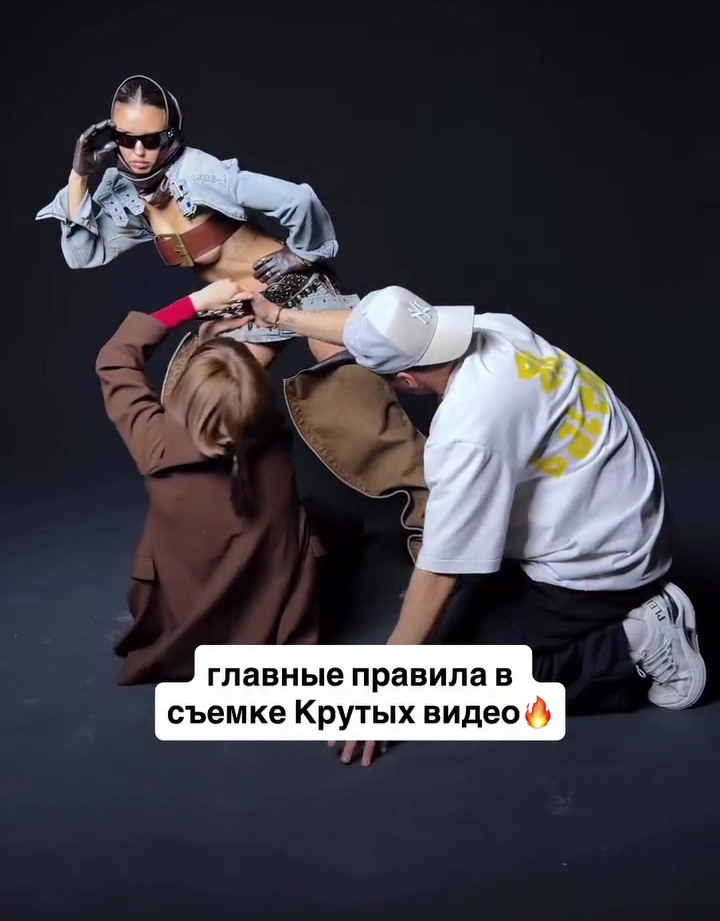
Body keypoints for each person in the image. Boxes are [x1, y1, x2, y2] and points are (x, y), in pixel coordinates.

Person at [242, 284, 707, 765]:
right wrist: (277, 315)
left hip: (601, 566)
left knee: (456, 687)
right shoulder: (497, 329)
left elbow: (442, 571)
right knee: (445, 632)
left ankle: (637, 643)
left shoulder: (466, 432)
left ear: (405, 380)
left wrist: (383, 693)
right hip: (625, 513)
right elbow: (366, 326)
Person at [36, 75, 428, 556]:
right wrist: (80, 174)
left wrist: (299, 255)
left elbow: (298, 200)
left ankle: (439, 527)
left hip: (301, 293)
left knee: (356, 409)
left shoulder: (204, 176)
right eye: (125, 138)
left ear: (171, 135)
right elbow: (81, 253)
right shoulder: (126, 192)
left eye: (151, 140)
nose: (138, 152)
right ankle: (251, 531)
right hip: (246, 312)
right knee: (200, 411)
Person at [95, 276, 322, 685]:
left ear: (183, 397)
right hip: (268, 617)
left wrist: (195, 303)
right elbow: (236, 401)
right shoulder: (273, 441)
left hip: (185, 604)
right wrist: (233, 338)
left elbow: (116, 358)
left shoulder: (156, 445)